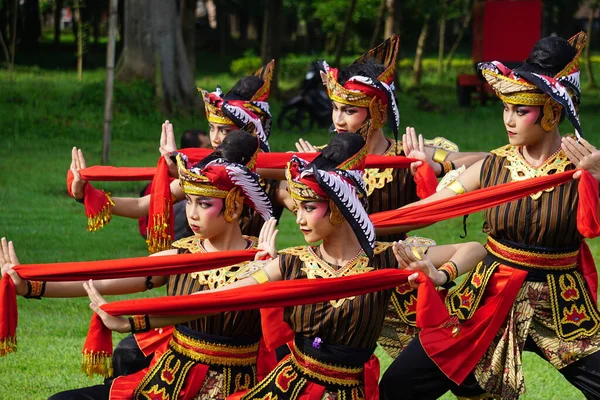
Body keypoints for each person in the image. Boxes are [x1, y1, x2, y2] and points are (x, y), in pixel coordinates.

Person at [85, 133, 487, 399]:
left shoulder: (386, 258)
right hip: (288, 386)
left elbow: (473, 248)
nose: (301, 217)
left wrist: (439, 275)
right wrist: (136, 319)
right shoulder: (290, 264)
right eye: (300, 206)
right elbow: (218, 299)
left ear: (340, 211)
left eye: (310, 208)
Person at [379, 32, 600, 400]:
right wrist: (363, 224)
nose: (509, 120)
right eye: (506, 108)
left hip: (562, 302)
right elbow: (432, 207)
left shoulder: (581, 166)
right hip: (488, 292)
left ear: (552, 112)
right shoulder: (493, 165)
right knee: (399, 385)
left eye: (520, 110)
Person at [1, 130, 275, 399]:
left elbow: (206, 303)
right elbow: (103, 279)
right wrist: (30, 285)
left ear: (235, 206)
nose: (191, 213)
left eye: (203, 204)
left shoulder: (263, 263)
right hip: (169, 380)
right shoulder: (183, 253)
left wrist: (131, 322)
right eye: (188, 201)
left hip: (235, 388)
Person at [291, 34, 488, 358]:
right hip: (341, 269)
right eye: (336, 108)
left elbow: (485, 160)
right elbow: (268, 172)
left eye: (350, 110)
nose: (338, 120)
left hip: (396, 264)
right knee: (319, 361)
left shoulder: (404, 156)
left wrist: (434, 164)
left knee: (444, 363)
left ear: (377, 112)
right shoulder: (324, 159)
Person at [70, 61, 284, 250]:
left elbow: (312, 212)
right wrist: (86, 195)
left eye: (226, 131)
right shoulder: (204, 174)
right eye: (212, 128)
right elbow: (141, 206)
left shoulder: (276, 183)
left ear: (252, 132)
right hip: (201, 266)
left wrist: (311, 171)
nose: (216, 139)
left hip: (253, 268)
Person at [137, 128, 211, 241]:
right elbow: (140, 205)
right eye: (207, 148)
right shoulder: (179, 178)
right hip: (156, 229)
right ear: (195, 149)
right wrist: (106, 200)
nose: (212, 150)